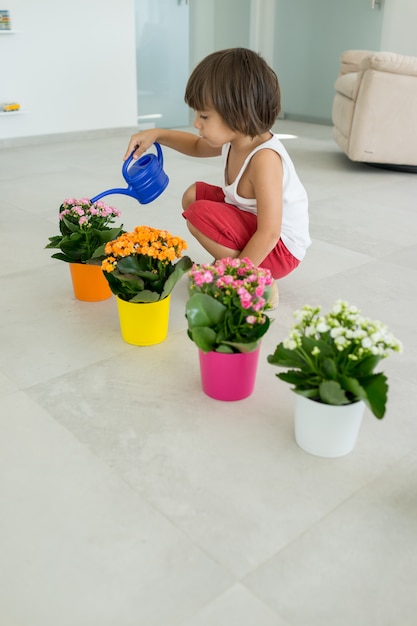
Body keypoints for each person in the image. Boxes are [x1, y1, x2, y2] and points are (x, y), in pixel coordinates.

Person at [123, 48, 311, 307]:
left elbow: (269, 232)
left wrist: (235, 278)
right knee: (193, 196)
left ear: (240, 115)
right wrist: (158, 135)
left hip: (279, 250)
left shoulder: (264, 159)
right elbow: (197, 147)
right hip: (256, 226)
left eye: (204, 116)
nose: (196, 123)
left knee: (199, 214)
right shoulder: (237, 137)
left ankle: (255, 278)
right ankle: (236, 264)